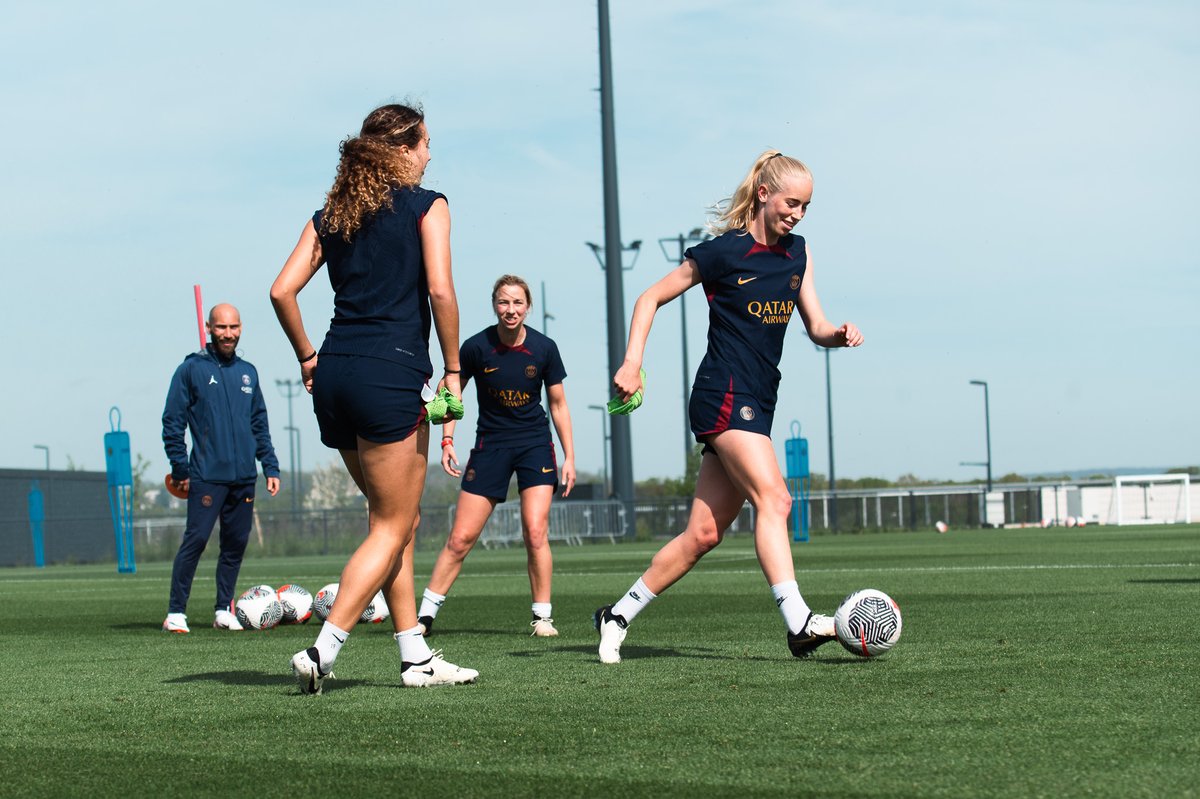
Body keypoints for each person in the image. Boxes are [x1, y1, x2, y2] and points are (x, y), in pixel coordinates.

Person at [593, 151, 864, 664]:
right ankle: (798, 621)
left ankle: (618, 614)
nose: (798, 215)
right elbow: (648, 298)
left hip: (759, 401)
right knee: (776, 500)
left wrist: (838, 334)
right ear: (764, 194)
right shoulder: (724, 253)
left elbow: (816, 326)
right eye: (791, 203)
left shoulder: (797, 254)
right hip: (723, 395)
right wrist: (632, 363)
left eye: (806, 206)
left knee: (702, 534)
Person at [270, 103, 477, 693]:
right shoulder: (428, 205)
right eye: (426, 143)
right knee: (393, 524)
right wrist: (455, 369)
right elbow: (441, 290)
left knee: (395, 522)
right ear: (403, 149)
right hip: (388, 375)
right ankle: (323, 649)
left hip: (333, 376)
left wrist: (308, 356)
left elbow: (281, 291)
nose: (431, 155)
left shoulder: (331, 214)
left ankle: (415, 657)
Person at [417, 275, 576, 638]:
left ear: (528, 307)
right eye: (504, 302)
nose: (511, 310)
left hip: (535, 444)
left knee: (535, 531)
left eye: (518, 303)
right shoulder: (475, 348)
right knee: (460, 539)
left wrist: (570, 457)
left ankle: (542, 617)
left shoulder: (544, 348)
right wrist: (446, 440)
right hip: (491, 446)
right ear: (494, 305)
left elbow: (558, 404)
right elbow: (451, 393)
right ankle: (423, 617)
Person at [162, 303, 282, 634]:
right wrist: (180, 467)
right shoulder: (191, 370)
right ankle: (176, 612)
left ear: (240, 328)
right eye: (221, 328)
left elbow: (259, 422)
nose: (228, 334)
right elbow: (173, 421)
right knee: (196, 540)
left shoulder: (249, 372)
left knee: (234, 545)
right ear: (209, 329)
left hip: (244, 476)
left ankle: (222, 609)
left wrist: (269, 466)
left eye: (233, 327)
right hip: (205, 475)